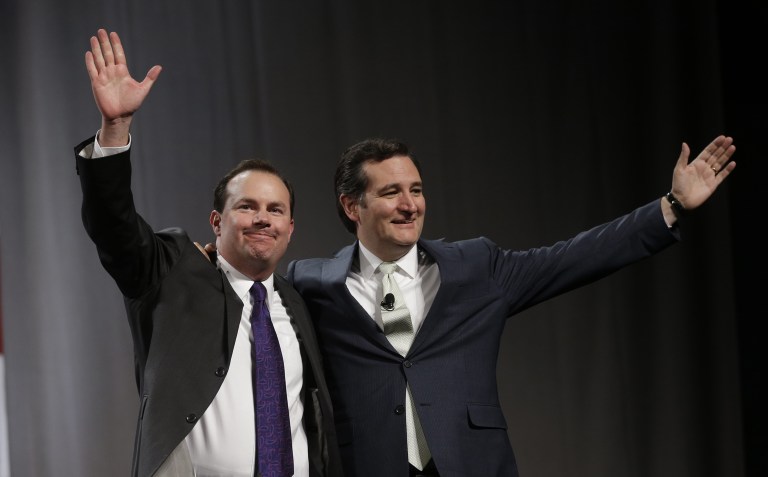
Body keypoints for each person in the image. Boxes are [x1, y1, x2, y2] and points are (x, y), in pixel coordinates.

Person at [285, 136, 736, 476]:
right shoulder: (312, 283)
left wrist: (671, 206)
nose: (410, 206)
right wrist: (213, 269)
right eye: (391, 193)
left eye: (416, 190)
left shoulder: (475, 267)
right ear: (351, 205)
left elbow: (572, 258)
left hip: (472, 463)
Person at [74, 28, 343, 477]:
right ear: (217, 222)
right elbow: (113, 227)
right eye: (247, 206)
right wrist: (116, 129)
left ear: (290, 229)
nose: (263, 218)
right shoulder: (170, 272)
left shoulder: (296, 303)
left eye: (275, 210)